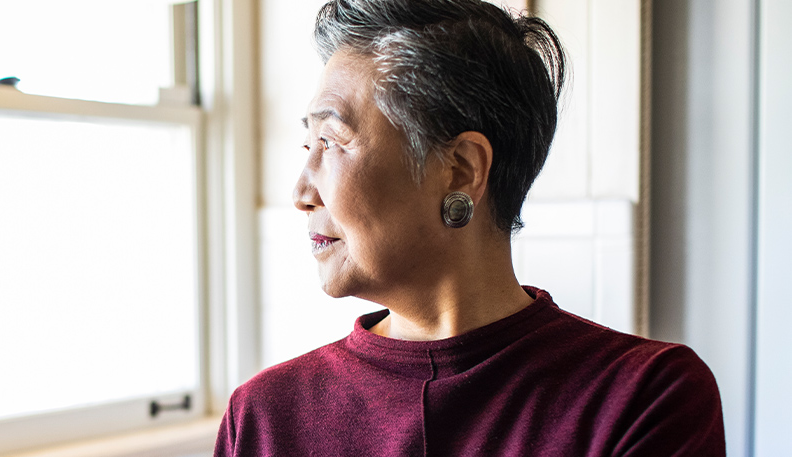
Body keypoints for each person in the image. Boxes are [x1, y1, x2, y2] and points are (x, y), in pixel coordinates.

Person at [214, 0, 726, 455]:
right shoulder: (263, 417)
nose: (302, 194)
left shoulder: (643, 398)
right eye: (309, 146)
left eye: (333, 141)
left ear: (460, 170)